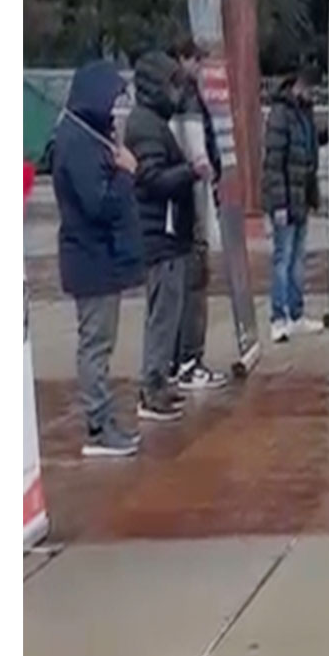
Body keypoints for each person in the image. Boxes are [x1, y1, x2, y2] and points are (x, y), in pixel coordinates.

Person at [52, 59, 145, 454]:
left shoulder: (89, 134)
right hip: (90, 258)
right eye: (110, 98)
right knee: (95, 344)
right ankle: (97, 424)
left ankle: (104, 418)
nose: (114, 107)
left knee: (101, 343)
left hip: (99, 256)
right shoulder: (77, 143)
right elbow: (98, 203)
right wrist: (126, 173)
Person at [125, 50, 208, 420]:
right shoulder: (145, 126)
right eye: (172, 85)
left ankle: (159, 382)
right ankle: (153, 385)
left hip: (168, 232)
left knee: (167, 312)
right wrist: (191, 172)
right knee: (162, 314)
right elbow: (152, 179)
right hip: (160, 235)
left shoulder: (152, 123)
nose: (176, 94)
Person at [168, 38, 229, 391]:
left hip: (184, 204)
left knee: (186, 284)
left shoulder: (176, 96)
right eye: (196, 60)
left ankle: (181, 359)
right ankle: (190, 359)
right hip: (192, 202)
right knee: (194, 281)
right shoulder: (187, 97)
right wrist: (208, 171)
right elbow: (198, 154)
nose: (201, 68)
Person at [262, 62, 324, 343]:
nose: (315, 95)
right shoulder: (281, 114)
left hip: (300, 197)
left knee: (297, 259)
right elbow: (274, 163)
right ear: (301, 85)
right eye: (312, 89)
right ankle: (278, 317)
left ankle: (296, 313)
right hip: (286, 199)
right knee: (283, 258)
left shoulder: (303, 113)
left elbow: (308, 151)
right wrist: (279, 204)